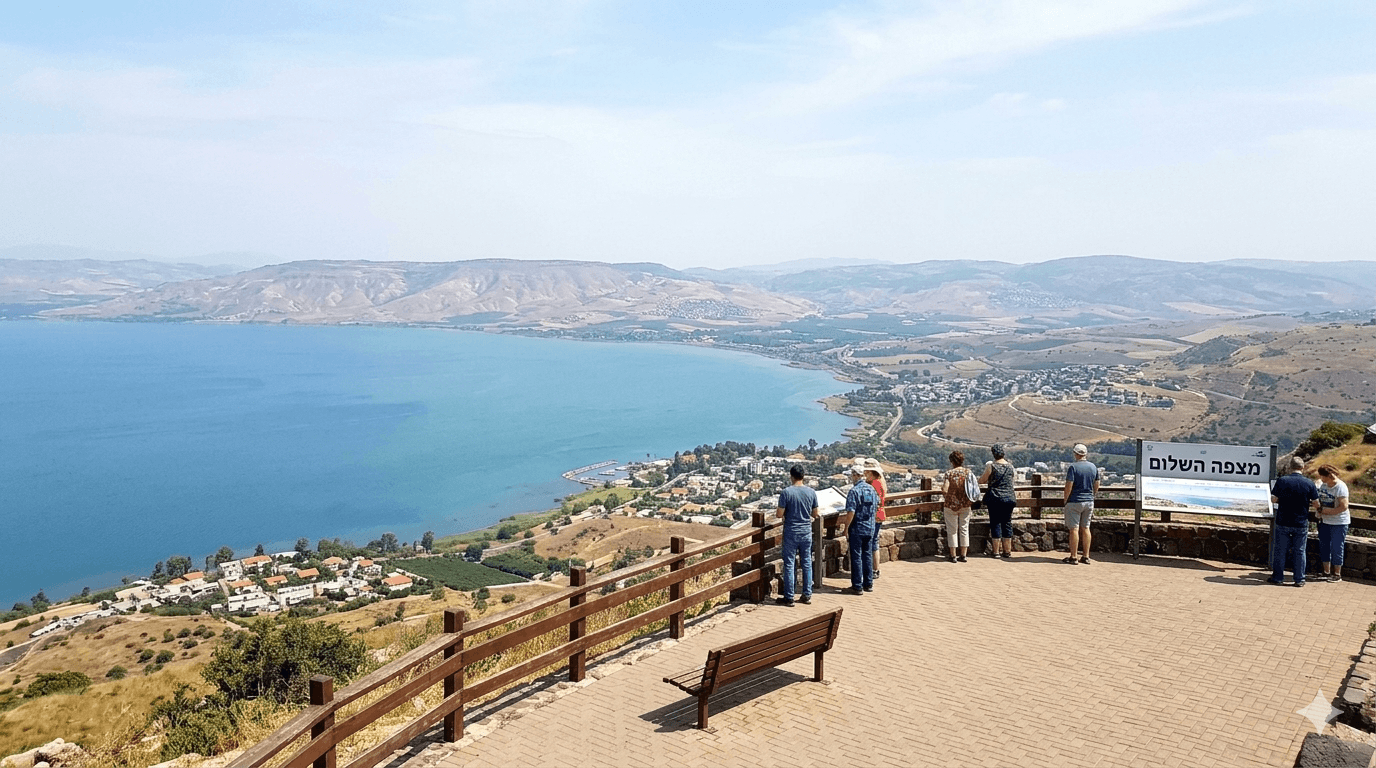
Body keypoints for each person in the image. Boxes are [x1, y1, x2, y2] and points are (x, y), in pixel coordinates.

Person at [1270, 456, 1319, 587]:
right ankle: (1299, 579)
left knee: (1280, 550)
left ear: (1290, 467)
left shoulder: (1282, 480)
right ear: (1302, 467)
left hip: (1283, 520)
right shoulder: (1309, 483)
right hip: (1301, 522)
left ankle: (1278, 578)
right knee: (1300, 551)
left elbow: (1273, 499)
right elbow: (1316, 503)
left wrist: (1282, 500)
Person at [775, 465, 820, 606]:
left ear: (791, 476)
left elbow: (779, 514)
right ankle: (807, 594)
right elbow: (815, 513)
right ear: (803, 476)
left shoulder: (786, 492)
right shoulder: (811, 492)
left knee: (789, 563)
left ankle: (789, 597)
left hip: (791, 531)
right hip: (806, 531)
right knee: (806, 562)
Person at [845, 462, 879, 594]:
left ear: (855, 476)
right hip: (870, 527)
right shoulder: (872, 490)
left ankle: (857, 586)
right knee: (867, 555)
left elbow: (851, 511)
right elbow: (876, 506)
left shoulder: (854, 491)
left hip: (857, 528)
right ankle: (868, 583)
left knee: (856, 557)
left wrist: (846, 528)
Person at [1062, 444, 1099, 565]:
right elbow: (1097, 483)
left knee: (1074, 529)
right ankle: (1086, 556)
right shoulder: (1093, 467)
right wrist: (1092, 495)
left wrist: (1065, 500)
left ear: (1076, 454)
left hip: (1074, 501)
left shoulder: (1073, 467)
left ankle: (1073, 557)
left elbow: (1069, 485)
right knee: (1086, 528)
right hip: (1089, 501)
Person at [979, 444, 1017, 558]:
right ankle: (1007, 551)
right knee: (1007, 523)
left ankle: (996, 551)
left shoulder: (991, 466)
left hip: (995, 498)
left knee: (995, 523)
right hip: (1009, 498)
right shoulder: (1011, 466)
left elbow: (982, 480)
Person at [1316, 464, 1350, 582]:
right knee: (1324, 546)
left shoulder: (1341, 487)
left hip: (1339, 522)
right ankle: (1326, 572)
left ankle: (1337, 574)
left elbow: (1344, 506)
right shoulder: (1323, 485)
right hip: (1324, 521)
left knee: (1337, 547)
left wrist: (1328, 512)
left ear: (1329, 475)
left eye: (1322, 476)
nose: (1321, 478)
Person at [942, 451, 973, 563]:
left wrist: (950, 497)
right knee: (964, 528)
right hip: (965, 504)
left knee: (952, 530)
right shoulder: (968, 472)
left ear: (952, 461)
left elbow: (945, 489)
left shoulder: (949, 474)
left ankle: (953, 555)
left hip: (951, 505)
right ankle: (963, 555)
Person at [863, 458, 887, 576]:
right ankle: (875, 569)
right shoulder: (880, 482)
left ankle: (873, 569)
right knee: (874, 542)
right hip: (880, 514)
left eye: (866, 472)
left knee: (872, 543)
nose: (864, 474)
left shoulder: (874, 484)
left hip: (874, 515)